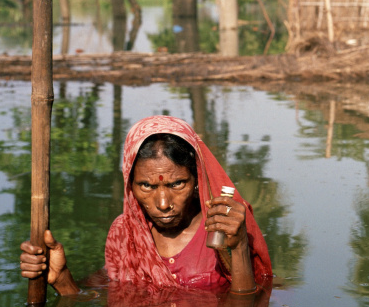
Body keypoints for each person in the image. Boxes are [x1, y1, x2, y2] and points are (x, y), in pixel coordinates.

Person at [20, 115, 272, 294]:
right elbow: (105, 299)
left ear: (197, 179)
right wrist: (62, 279)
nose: (163, 204)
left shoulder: (225, 224)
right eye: (147, 186)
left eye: (177, 184)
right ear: (129, 185)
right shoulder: (125, 233)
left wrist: (238, 247)